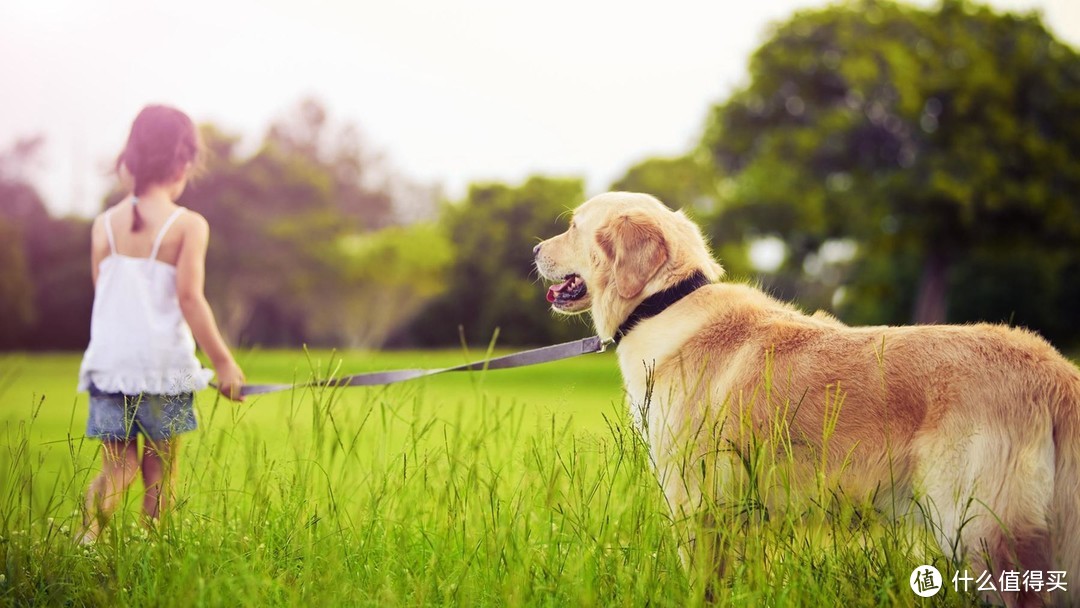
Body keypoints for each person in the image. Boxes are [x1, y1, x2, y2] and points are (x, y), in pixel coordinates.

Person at [76, 104, 245, 543]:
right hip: (162, 370)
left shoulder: (103, 226)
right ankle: (155, 554)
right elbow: (190, 298)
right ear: (184, 163)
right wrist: (223, 363)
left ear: (129, 160)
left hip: (110, 367)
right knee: (160, 474)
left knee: (119, 467)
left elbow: (104, 296)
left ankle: (84, 538)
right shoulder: (188, 225)